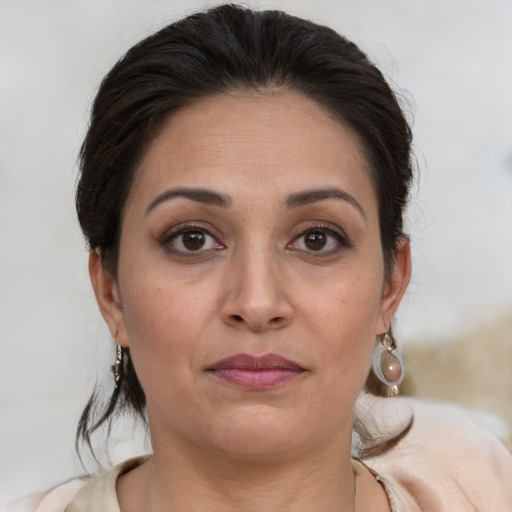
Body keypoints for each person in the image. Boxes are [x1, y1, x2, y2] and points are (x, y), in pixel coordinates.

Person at [12, 4, 512, 511]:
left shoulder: (481, 489)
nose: (256, 302)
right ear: (111, 291)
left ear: (390, 284)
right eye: (192, 239)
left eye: (317, 239)